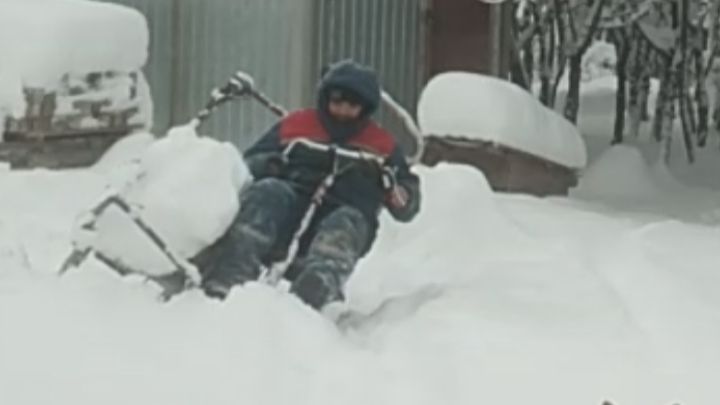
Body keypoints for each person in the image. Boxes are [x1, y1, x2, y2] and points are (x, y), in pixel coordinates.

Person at [201, 60, 421, 314]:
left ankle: (312, 297)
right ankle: (227, 277)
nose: (343, 110)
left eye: (352, 105)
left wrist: (395, 191)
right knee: (268, 193)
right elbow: (248, 164)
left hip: (347, 209)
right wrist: (270, 164)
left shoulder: (381, 145)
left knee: (344, 224)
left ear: (365, 108)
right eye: (337, 101)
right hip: (290, 208)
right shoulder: (298, 125)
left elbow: (407, 203)